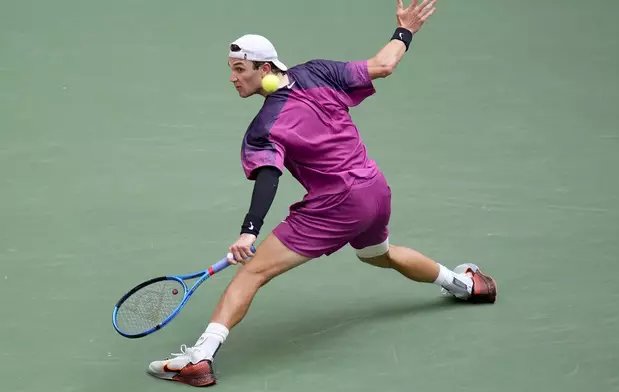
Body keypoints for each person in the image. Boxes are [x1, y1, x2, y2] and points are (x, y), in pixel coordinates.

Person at [147, 0, 496, 387]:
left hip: (336, 204)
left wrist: (249, 230)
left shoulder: (265, 125)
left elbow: (268, 177)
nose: (232, 78)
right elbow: (383, 65)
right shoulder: (318, 72)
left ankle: (200, 358)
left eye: (239, 69)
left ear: (265, 69)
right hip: (374, 190)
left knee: (252, 273)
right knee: (378, 254)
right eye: (231, 69)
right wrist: (406, 30)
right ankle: (466, 285)